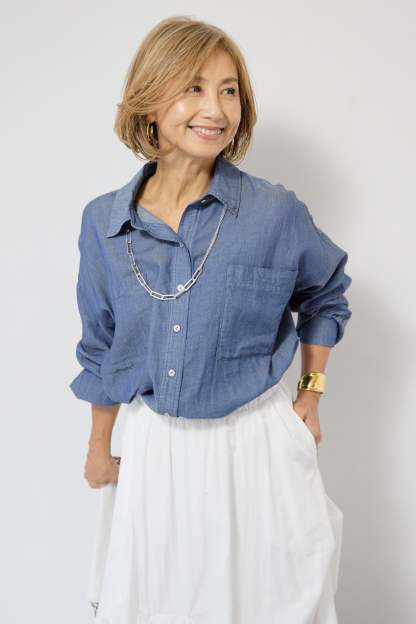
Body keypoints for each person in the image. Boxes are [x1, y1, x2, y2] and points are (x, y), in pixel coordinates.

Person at [69, 15, 352, 624]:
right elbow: (101, 345)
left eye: (229, 90)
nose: (216, 109)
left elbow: (326, 296)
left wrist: (311, 393)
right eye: (193, 88)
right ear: (150, 101)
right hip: (156, 452)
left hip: (257, 446)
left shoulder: (273, 212)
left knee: (274, 605)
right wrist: (99, 447)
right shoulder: (104, 223)